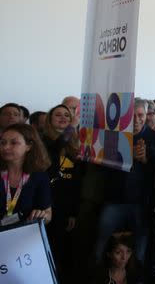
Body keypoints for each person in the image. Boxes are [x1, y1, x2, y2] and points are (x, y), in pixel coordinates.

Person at [93, 98, 155, 280]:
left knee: (139, 249)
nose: (136, 119)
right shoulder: (112, 134)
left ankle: (136, 280)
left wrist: (147, 156)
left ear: (147, 115)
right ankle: (98, 278)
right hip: (114, 200)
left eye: (140, 115)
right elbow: (99, 164)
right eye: (132, 115)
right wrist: (125, 154)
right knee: (100, 244)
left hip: (142, 203)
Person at [41, 104, 84, 283]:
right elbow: (56, 146)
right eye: (57, 115)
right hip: (47, 201)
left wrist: (74, 211)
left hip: (67, 202)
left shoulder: (76, 144)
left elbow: (77, 181)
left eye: (67, 115)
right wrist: (72, 126)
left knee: (65, 248)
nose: (63, 117)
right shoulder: (42, 141)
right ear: (50, 120)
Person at [0, 123, 52, 224]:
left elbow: (48, 215)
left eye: (13, 143)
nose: (5, 147)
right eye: (2, 142)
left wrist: (42, 215)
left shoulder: (39, 176)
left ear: (29, 146)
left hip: (24, 235)